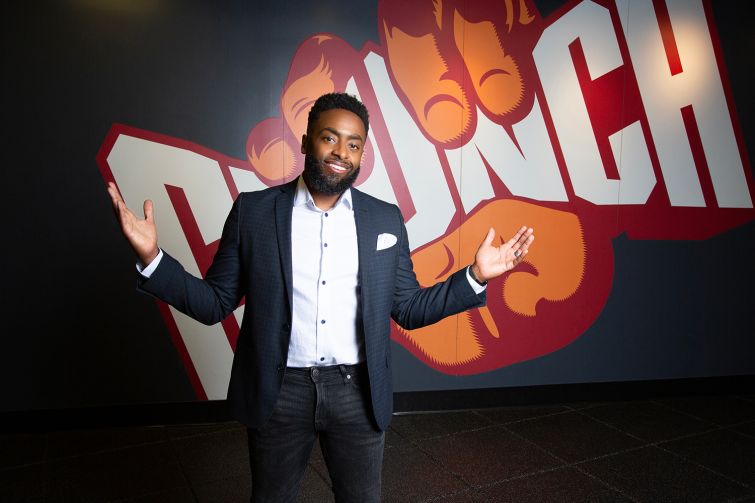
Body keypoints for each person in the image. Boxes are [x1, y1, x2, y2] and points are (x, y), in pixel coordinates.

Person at [107, 92, 534, 502]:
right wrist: (152, 258)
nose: (340, 152)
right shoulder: (254, 212)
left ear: (362, 156)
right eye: (330, 137)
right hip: (281, 390)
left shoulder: (384, 219)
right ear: (307, 140)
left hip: (357, 391)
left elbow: (408, 308)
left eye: (354, 144)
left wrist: (476, 275)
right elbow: (214, 302)